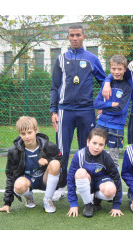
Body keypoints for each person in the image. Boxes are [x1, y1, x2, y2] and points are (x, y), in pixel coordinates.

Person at [50, 24, 106, 201]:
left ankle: (86, 184)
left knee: (87, 150)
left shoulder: (91, 58)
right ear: (67, 37)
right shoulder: (60, 59)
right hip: (64, 110)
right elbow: (54, 87)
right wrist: (53, 110)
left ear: (84, 37)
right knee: (62, 151)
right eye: (72, 35)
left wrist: (100, 104)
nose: (75, 38)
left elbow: (105, 82)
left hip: (86, 111)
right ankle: (60, 185)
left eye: (78, 35)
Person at [0, 116, 63, 214]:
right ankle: (28, 196)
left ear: (36, 130)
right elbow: (10, 176)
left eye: (29, 132)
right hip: (28, 179)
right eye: (23, 134)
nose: (27, 136)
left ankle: (47, 200)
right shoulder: (13, 151)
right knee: (18, 186)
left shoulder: (48, 145)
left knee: (55, 163)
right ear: (19, 133)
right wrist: (7, 203)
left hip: (44, 178)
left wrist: (48, 160)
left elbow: (61, 160)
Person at [66, 128, 123, 218]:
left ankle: (97, 198)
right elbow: (70, 179)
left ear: (104, 146)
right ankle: (88, 204)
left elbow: (116, 178)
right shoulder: (79, 155)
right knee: (80, 173)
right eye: (94, 143)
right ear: (88, 142)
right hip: (87, 181)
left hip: (101, 181)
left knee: (110, 190)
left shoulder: (106, 157)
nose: (97, 147)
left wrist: (116, 205)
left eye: (101, 144)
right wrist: (73, 203)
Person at [94, 55, 132, 170]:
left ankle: (115, 183)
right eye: (114, 69)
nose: (116, 72)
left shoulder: (127, 87)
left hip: (116, 126)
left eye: (120, 69)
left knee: (113, 157)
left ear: (125, 70)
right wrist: (111, 104)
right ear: (110, 68)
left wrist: (103, 109)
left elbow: (120, 109)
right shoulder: (106, 84)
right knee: (95, 152)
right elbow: (96, 104)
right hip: (101, 123)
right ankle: (96, 179)